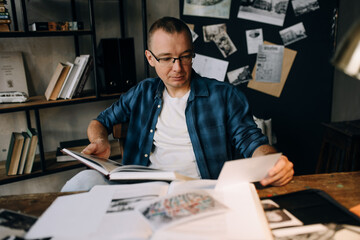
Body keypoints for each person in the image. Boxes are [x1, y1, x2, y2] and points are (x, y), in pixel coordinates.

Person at [61, 16, 293, 192]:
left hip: (201, 191)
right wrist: (100, 140)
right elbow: (99, 122)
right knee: (83, 181)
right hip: (142, 190)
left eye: (185, 56)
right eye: (166, 58)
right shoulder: (142, 92)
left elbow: (252, 141)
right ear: (150, 58)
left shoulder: (224, 95)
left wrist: (271, 162)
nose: (178, 68)